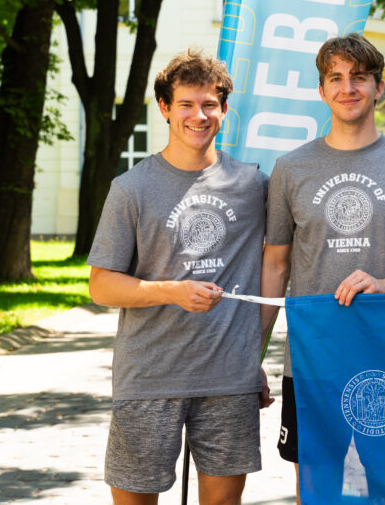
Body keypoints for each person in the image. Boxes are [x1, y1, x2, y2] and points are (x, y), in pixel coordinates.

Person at [88, 51, 270, 505]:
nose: (199, 115)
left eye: (210, 104)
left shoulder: (253, 185)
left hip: (229, 377)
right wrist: (172, 291)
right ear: (165, 108)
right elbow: (101, 285)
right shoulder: (130, 188)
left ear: (225, 110)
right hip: (148, 376)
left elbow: (306, 220)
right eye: (186, 104)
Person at [260, 33, 385, 504]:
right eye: (335, 78)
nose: (347, 87)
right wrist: (253, 356)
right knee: (316, 487)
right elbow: (275, 266)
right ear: (321, 91)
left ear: (380, 88)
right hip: (313, 359)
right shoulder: (291, 169)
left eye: (360, 77)